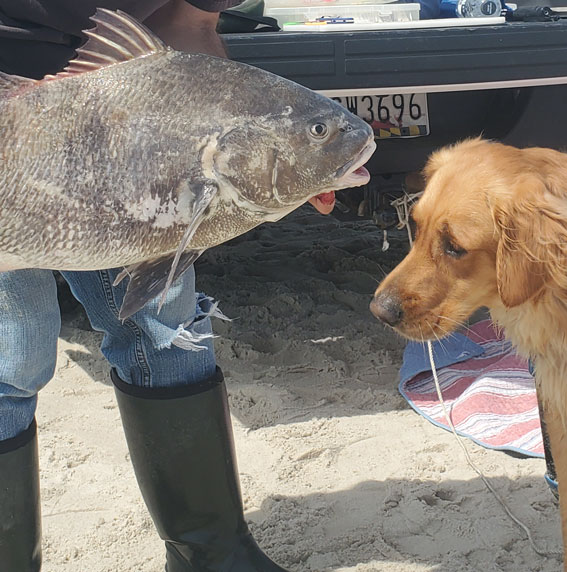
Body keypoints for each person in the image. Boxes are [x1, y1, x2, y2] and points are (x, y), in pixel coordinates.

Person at [0, 2, 329, 570]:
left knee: (167, 333)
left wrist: (304, 164)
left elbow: (195, 21)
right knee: (13, 357)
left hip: (138, 110)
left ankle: (209, 551)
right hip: (15, 121)